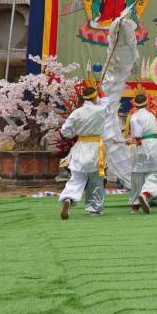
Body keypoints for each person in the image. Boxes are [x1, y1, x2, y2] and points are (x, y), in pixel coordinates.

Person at [58, 84, 109, 219]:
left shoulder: (77, 112)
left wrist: (75, 133)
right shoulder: (101, 110)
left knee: (76, 178)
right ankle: (94, 209)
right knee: (96, 181)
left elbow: (65, 131)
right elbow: (107, 102)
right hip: (96, 148)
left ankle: (69, 198)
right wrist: (101, 92)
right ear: (95, 97)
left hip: (81, 146)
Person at [125, 93, 157, 213]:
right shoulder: (151, 116)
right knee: (155, 172)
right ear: (147, 103)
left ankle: (135, 206)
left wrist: (131, 141)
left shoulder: (134, 117)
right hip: (153, 145)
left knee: (137, 175)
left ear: (135, 104)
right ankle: (146, 193)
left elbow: (137, 136)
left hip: (141, 146)